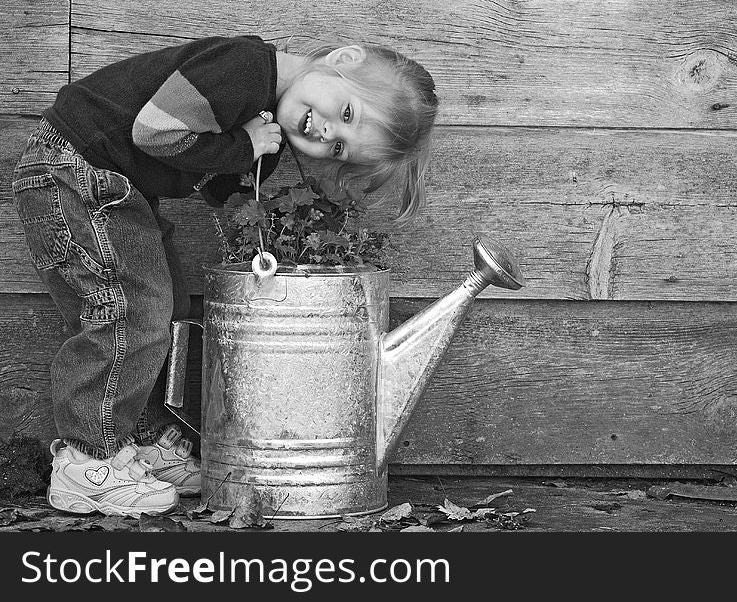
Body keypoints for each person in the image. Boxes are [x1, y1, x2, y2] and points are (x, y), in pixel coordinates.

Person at [11, 35, 439, 516]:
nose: (324, 133)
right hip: (77, 169)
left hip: (114, 186)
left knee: (167, 306)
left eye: (339, 146)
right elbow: (155, 131)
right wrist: (243, 148)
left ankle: (137, 445)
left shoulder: (267, 122)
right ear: (343, 60)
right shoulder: (245, 69)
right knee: (128, 314)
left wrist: (247, 180)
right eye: (345, 113)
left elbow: (211, 178)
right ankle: (88, 460)